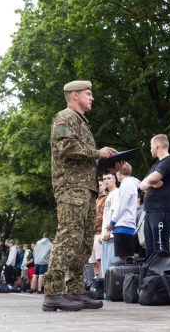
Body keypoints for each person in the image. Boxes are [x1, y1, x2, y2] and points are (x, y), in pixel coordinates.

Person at [44, 80, 117, 311]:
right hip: (71, 188)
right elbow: (65, 147)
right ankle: (53, 292)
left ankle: (75, 291)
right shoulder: (64, 116)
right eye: (88, 93)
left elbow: (84, 157)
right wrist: (97, 152)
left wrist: (107, 161)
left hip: (85, 188)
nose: (92, 97)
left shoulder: (81, 122)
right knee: (68, 237)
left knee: (83, 241)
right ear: (74, 95)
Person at [140, 134, 170, 256]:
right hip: (150, 211)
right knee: (150, 248)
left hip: (161, 210)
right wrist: (150, 184)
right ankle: (152, 273)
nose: (150, 149)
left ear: (156, 145)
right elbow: (141, 186)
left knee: (160, 247)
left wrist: (149, 182)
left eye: (151, 146)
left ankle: (162, 273)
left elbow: (154, 177)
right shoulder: (155, 165)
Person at [105, 162, 140, 260]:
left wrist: (112, 222)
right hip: (126, 223)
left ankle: (129, 275)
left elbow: (122, 206)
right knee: (126, 254)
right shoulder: (131, 183)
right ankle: (129, 274)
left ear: (119, 172)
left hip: (123, 224)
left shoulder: (126, 184)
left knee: (125, 257)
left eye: (116, 171)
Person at [101, 172, 119, 277]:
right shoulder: (108, 195)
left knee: (111, 265)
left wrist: (108, 230)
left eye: (108, 178)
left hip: (112, 235)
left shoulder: (117, 193)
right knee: (105, 267)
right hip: (105, 236)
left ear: (114, 179)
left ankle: (112, 292)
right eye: (104, 179)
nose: (106, 181)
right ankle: (106, 291)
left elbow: (115, 213)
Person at [89, 178, 106, 277]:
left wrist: (103, 234)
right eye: (97, 185)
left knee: (100, 261)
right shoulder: (93, 199)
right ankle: (97, 284)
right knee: (93, 262)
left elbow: (104, 217)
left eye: (100, 185)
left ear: (104, 186)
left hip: (99, 233)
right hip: (91, 234)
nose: (98, 187)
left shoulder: (106, 198)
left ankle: (103, 284)